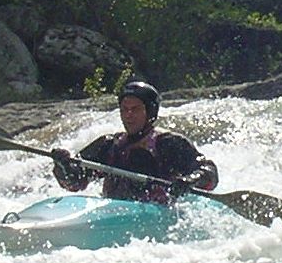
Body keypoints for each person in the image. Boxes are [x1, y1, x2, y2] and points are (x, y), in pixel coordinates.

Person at [51, 81, 218, 205]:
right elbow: (74, 183)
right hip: (112, 212)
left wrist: (190, 180)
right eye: (124, 109)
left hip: (156, 213)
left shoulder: (168, 143)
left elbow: (209, 173)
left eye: (135, 109)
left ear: (150, 112)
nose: (128, 115)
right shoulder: (109, 144)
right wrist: (63, 166)